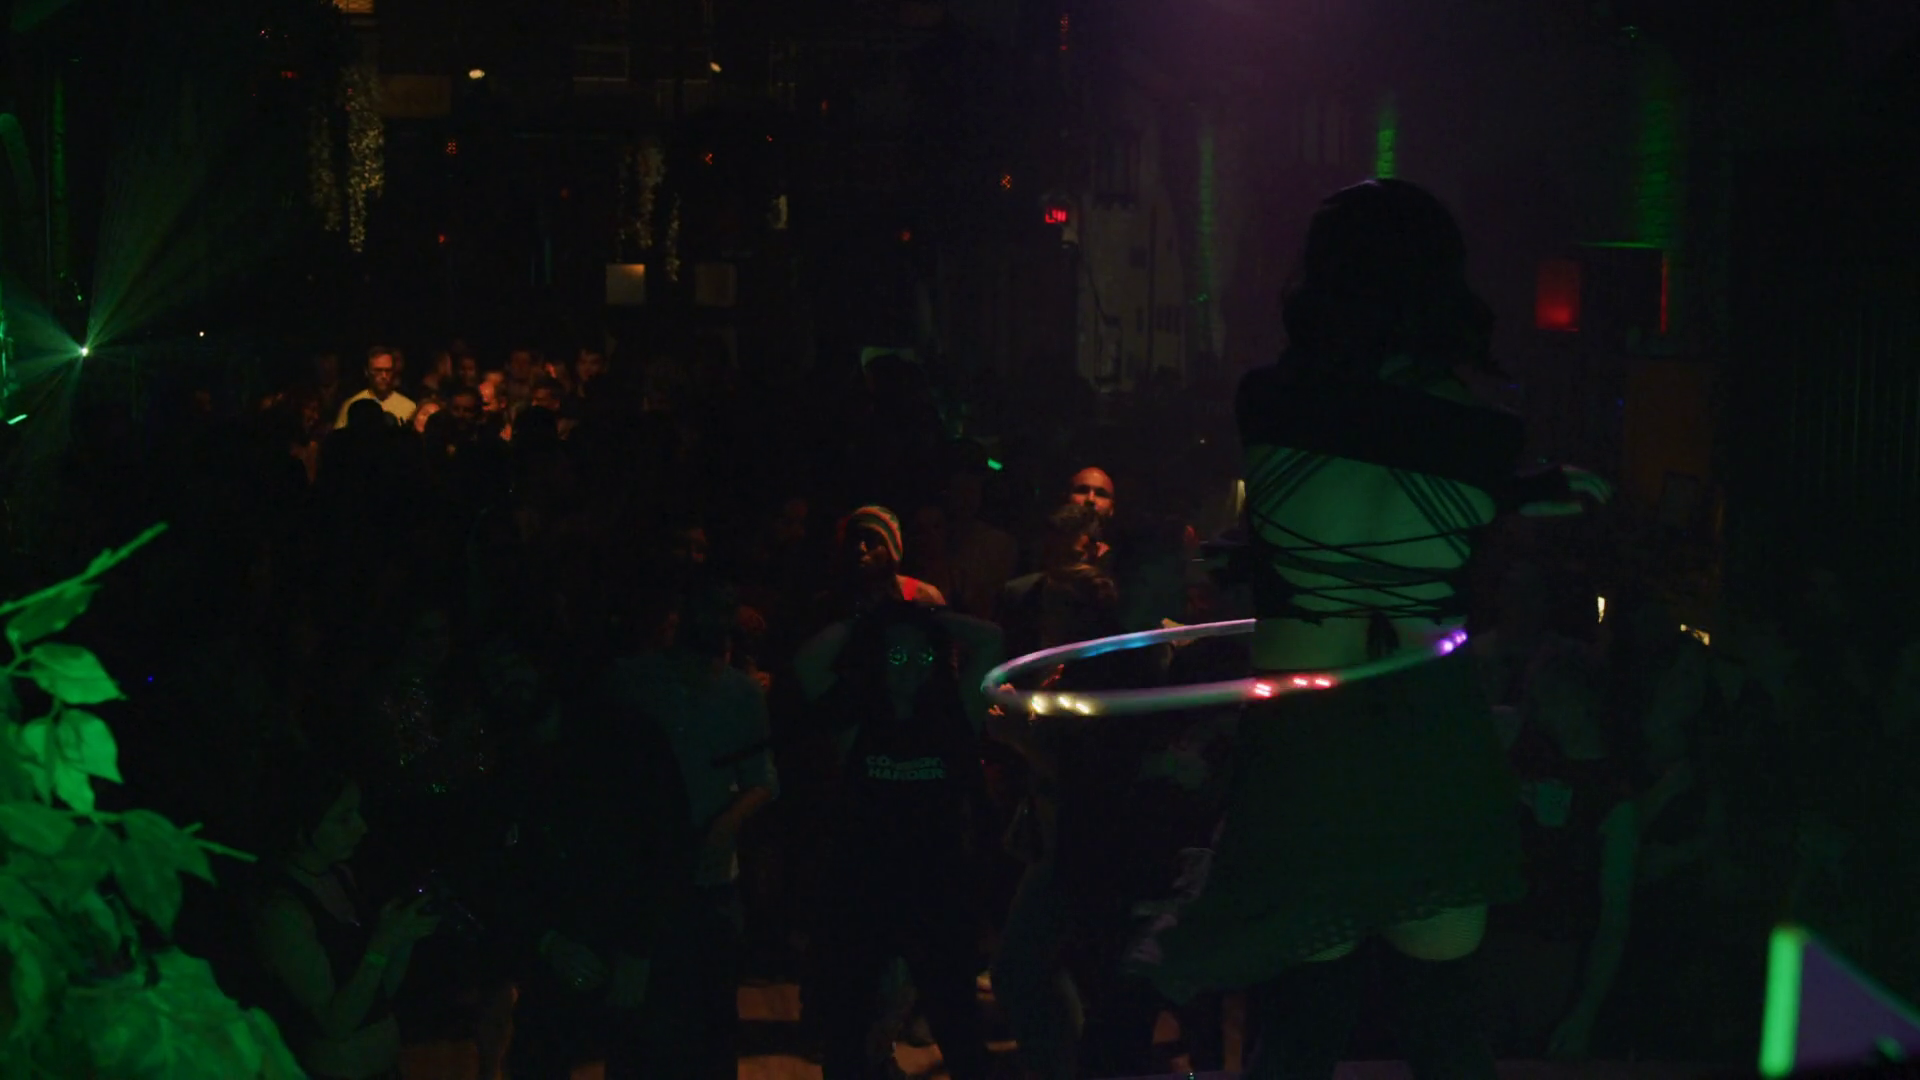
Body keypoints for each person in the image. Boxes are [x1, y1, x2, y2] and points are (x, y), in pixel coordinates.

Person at [1130, 178, 1611, 1079]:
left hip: (1312, 734)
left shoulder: (1269, 400)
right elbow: (1406, 436)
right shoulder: (1482, 433)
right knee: (1440, 1027)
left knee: (1305, 1031)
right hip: (1427, 727)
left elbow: (1361, 433)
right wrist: (1518, 483)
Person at [794, 601, 1004, 1080]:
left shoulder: (955, 715)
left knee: (956, 1020)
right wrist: (872, 619)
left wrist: (923, 617)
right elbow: (808, 662)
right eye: (896, 657)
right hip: (864, 890)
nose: (910, 667)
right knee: (849, 1021)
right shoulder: (858, 720)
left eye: (921, 657)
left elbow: (991, 638)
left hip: (937, 890)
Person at [249, 764, 439, 1080]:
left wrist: (404, 937)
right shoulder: (282, 910)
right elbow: (335, 1024)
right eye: (344, 818)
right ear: (301, 828)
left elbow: (380, 993)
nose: (362, 827)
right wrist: (383, 943)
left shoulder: (340, 876)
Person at [334, 347, 418, 429]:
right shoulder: (353, 404)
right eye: (378, 370)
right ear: (367, 372)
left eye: (388, 370)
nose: (384, 376)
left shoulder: (409, 407)